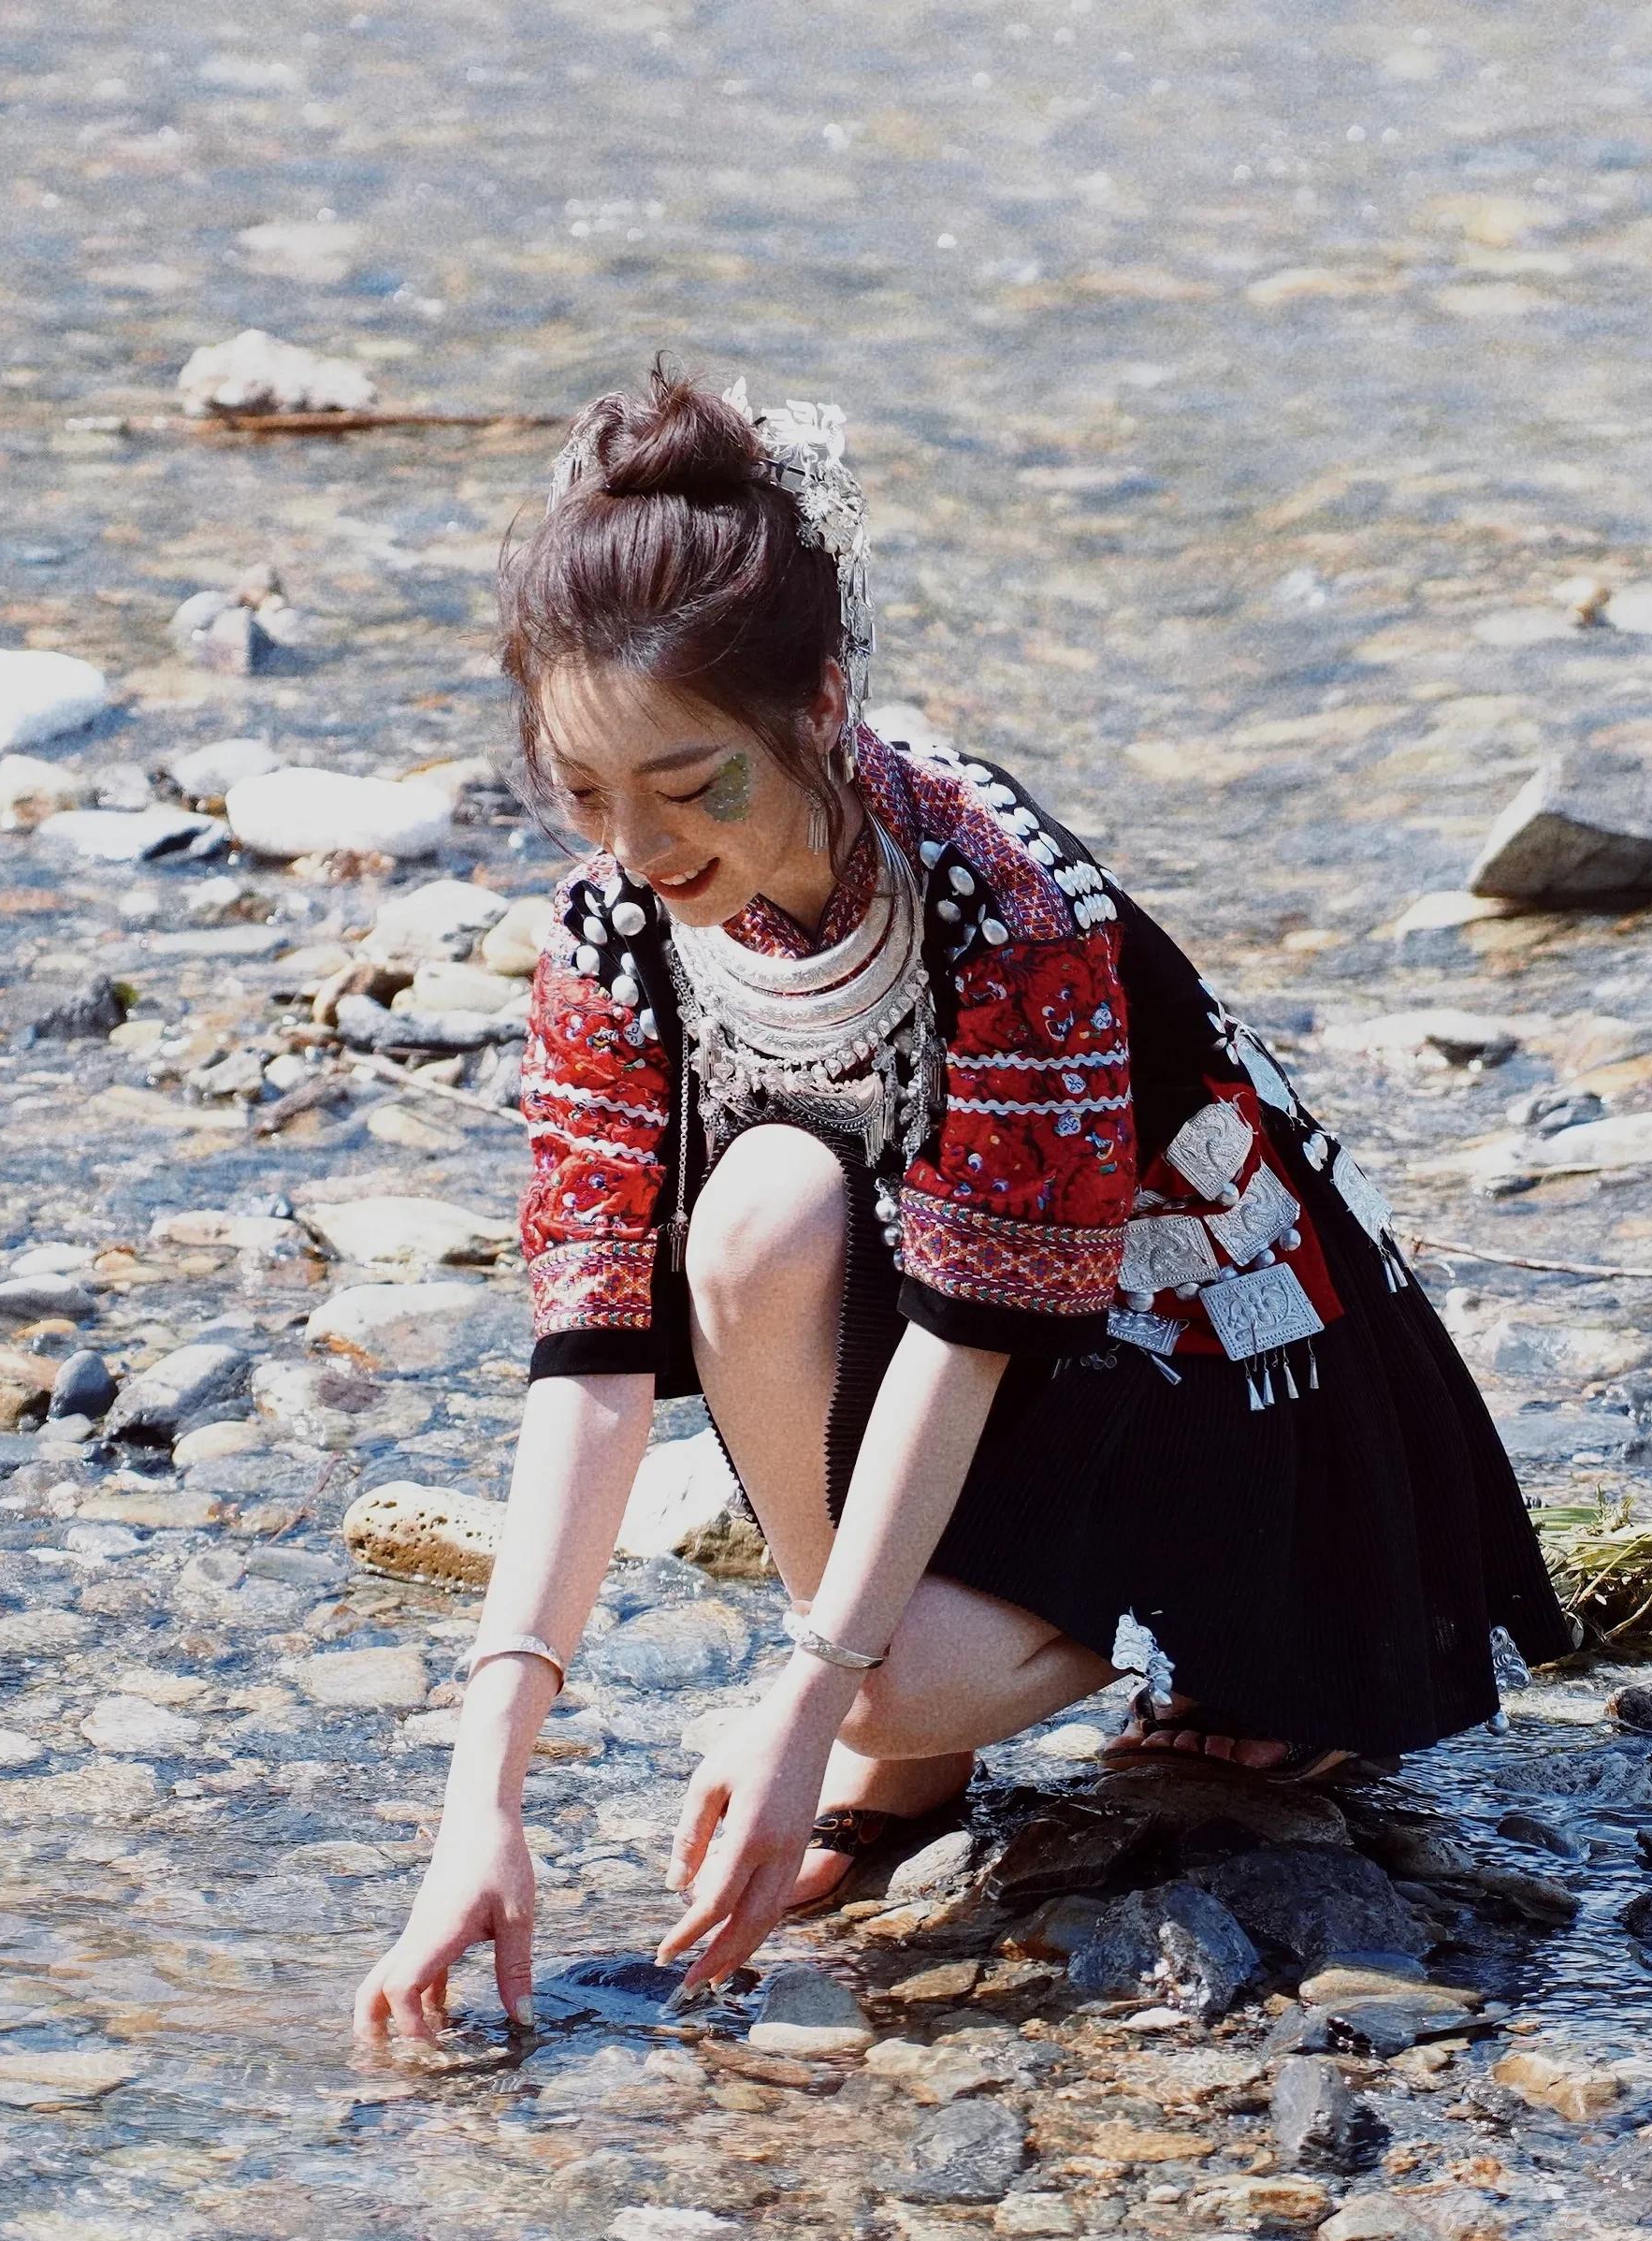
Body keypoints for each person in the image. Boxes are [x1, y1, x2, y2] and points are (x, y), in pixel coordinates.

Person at [352, 362, 1568, 2046]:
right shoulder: (617, 932)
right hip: (944, 1315)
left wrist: (809, 1704)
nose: (638, 847)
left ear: (818, 703)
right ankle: (908, 1741)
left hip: (1210, 1362)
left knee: (887, 1677)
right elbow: (594, 1357)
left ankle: (1033, 1680)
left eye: (690, 785)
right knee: (753, 1217)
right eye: (585, 791)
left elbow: (973, 1339)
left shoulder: (1000, 904)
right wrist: (479, 1805)